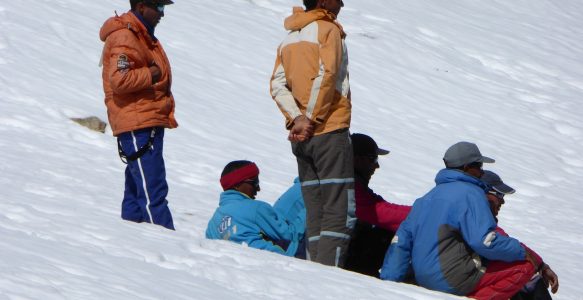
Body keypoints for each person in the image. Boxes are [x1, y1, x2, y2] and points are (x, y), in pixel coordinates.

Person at [381, 141, 541, 300]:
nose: (481, 172)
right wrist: (522, 252)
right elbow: (484, 241)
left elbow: (400, 241)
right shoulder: (471, 194)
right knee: (526, 266)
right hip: (451, 279)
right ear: (466, 168)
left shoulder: (427, 198)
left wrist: (389, 283)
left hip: (422, 277)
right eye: (478, 166)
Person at [269, 0, 354, 267]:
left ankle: (312, 271)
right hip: (329, 129)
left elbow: (277, 84)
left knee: (314, 209)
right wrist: (311, 118)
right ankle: (330, 274)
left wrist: (295, 118)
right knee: (338, 210)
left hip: (301, 137)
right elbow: (327, 75)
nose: (341, 3)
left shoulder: (289, 37)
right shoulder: (327, 30)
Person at [99, 0, 177, 230]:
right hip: (137, 122)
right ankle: (165, 242)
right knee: (152, 190)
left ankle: (133, 239)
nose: (162, 14)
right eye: (159, 8)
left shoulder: (141, 33)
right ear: (142, 6)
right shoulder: (126, 36)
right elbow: (119, 79)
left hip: (145, 120)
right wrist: (151, 74)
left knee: (136, 189)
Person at [481, 171, 559, 299]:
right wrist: (535, 264)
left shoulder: (486, 221)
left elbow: (505, 241)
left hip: (478, 275)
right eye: (499, 194)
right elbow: (500, 243)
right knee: (525, 275)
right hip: (468, 279)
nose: (502, 201)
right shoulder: (477, 219)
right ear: (483, 194)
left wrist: (540, 265)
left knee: (529, 278)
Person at [344, 133, 411, 277]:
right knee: (387, 233)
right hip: (343, 256)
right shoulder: (346, 186)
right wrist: (422, 213)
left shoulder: (353, 183)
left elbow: (379, 205)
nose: (377, 165)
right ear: (357, 160)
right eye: (373, 158)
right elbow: (379, 213)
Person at [206, 161, 302, 256]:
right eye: (255, 182)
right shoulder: (254, 208)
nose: (258, 188)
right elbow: (291, 235)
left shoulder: (212, 225)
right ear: (237, 185)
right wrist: (311, 209)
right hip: (284, 260)